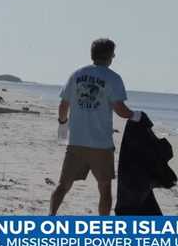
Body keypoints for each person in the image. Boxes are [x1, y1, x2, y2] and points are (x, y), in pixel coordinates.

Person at [49, 38, 141, 216]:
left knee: (63, 185)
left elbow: (63, 106)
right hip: (101, 145)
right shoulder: (113, 78)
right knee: (105, 188)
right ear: (109, 56)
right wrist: (136, 116)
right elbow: (120, 109)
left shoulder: (76, 74)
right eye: (113, 53)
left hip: (76, 142)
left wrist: (62, 123)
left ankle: (50, 217)